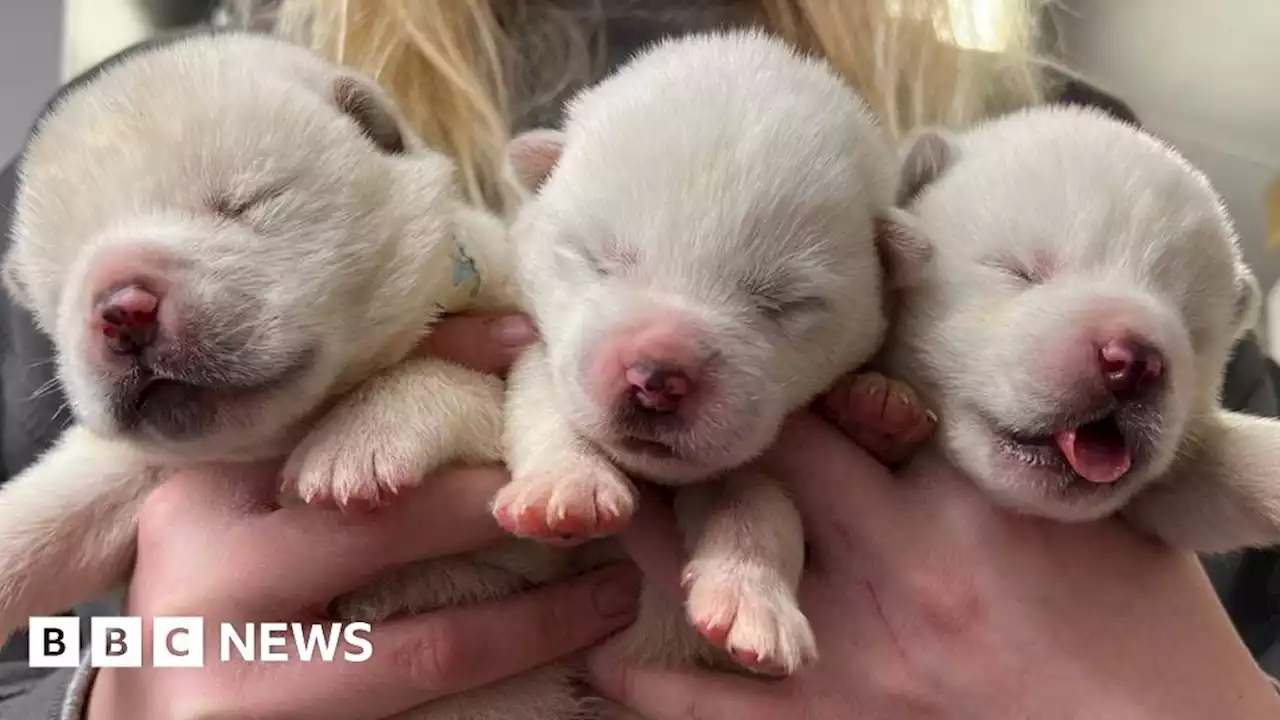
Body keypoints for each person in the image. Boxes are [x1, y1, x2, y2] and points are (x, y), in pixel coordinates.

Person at [0, 1, 1278, 717]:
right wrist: (103, 687)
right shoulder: (133, 144)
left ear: (892, 260)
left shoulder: (1055, 153)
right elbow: (36, 642)